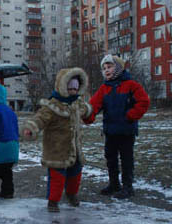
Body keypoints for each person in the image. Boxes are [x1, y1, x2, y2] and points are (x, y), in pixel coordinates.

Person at [22, 68, 92, 212]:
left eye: (76, 87)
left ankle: (71, 194)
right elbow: (40, 118)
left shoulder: (77, 103)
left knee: (75, 174)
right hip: (56, 149)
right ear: (62, 86)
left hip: (74, 149)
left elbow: (86, 110)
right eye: (70, 87)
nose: (73, 90)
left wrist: (90, 111)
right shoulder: (52, 105)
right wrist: (31, 127)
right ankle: (53, 201)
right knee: (57, 177)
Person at [84, 55, 150, 199]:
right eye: (104, 68)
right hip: (110, 131)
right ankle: (114, 184)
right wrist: (87, 115)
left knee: (126, 159)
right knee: (110, 158)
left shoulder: (131, 85)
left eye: (110, 67)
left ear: (119, 68)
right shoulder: (104, 88)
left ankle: (128, 187)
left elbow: (144, 101)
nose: (106, 70)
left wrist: (131, 115)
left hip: (127, 131)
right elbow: (94, 106)